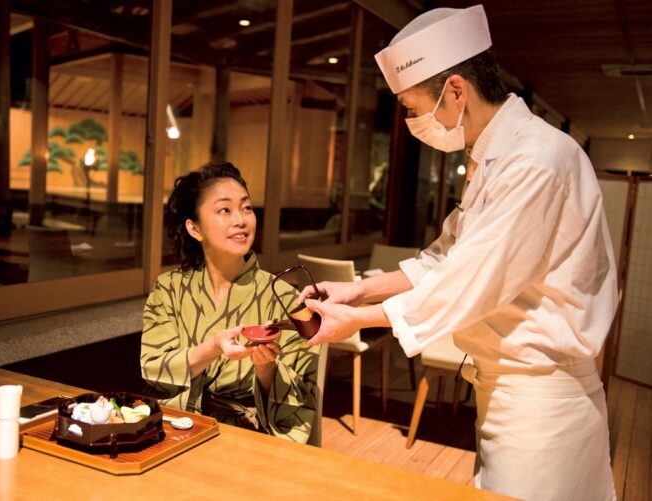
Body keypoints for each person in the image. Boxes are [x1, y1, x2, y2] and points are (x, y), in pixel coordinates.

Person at [299, 5, 617, 500]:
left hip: (542, 404)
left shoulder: (535, 161)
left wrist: (356, 321)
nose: (408, 120)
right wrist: (360, 288)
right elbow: (444, 257)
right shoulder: (494, 157)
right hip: (503, 390)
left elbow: (470, 280)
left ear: (455, 91)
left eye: (410, 106)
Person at [141, 162, 320, 444]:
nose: (241, 220)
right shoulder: (168, 290)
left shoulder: (286, 299)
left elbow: (306, 390)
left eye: (246, 208)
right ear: (195, 227)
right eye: (225, 210)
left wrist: (266, 368)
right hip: (178, 427)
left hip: (251, 436)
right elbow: (153, 368)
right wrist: (212, 348)